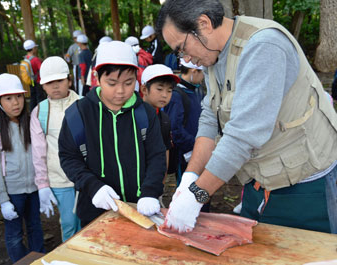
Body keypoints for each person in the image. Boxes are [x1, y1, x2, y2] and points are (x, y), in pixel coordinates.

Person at [156, 0, 337, 234]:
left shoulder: (264, 46)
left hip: (305, 185)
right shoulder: (214, 55)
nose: (186, 59)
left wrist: (198, 196)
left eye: (182, 48)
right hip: (260, 181)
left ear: (204, 23)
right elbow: (211, 117)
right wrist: (190, 178)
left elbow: (243, 136)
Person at [58, 41, 166, 227]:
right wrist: (93, 186)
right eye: (112, 83)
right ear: (97, 78)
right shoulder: (78, 114)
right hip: (95, 211)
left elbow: (157, 155)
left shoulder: (145, 114)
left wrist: (150, 191)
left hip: (140, 208)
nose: (121, 91)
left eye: (128, 82)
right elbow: (69, 157)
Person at [0, 74, 45, 262]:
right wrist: (3, 200)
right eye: (8, 98)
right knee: (14, 233)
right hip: (13, 192)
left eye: (19, 96)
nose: (16, 103)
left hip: (34, 188)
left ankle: (38, 259)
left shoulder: (32, 121)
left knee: (35, 226)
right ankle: (20, 261)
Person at [30, 56, 81, 241]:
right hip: (59, 179)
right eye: (49, 83)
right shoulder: (39, 112)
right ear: (42, 86)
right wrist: (42, 184)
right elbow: (38, 152)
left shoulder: (84, 104)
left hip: (86, 177)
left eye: (59, 80)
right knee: (68, 223)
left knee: (89, 223)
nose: (55, 86)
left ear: (69, 80)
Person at [164, 58, 204, 185]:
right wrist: (193, 144)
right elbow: (175, 128)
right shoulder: (177, 95)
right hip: (186, 152)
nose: (203, 78)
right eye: (202, 73)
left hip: (200, 147)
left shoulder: (197, 89)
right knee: (187, 185)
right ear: (194, 71)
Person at [140, 64, 180, 177]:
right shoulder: (134, 117)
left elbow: (166, 150)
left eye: (169, 90)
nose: (164, 95)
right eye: (159, 89)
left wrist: (162, 179)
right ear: (144, 89)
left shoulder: (164, 119)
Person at [23, 39, 45, 110]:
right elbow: (42, 69)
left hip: (31, 81)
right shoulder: (35, 60)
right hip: (38, 81)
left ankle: (32, 110)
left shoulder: (25, 58)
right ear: (33, 49)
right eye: (35, 47)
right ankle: (40, 110)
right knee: (40, 97)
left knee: (33, 96)